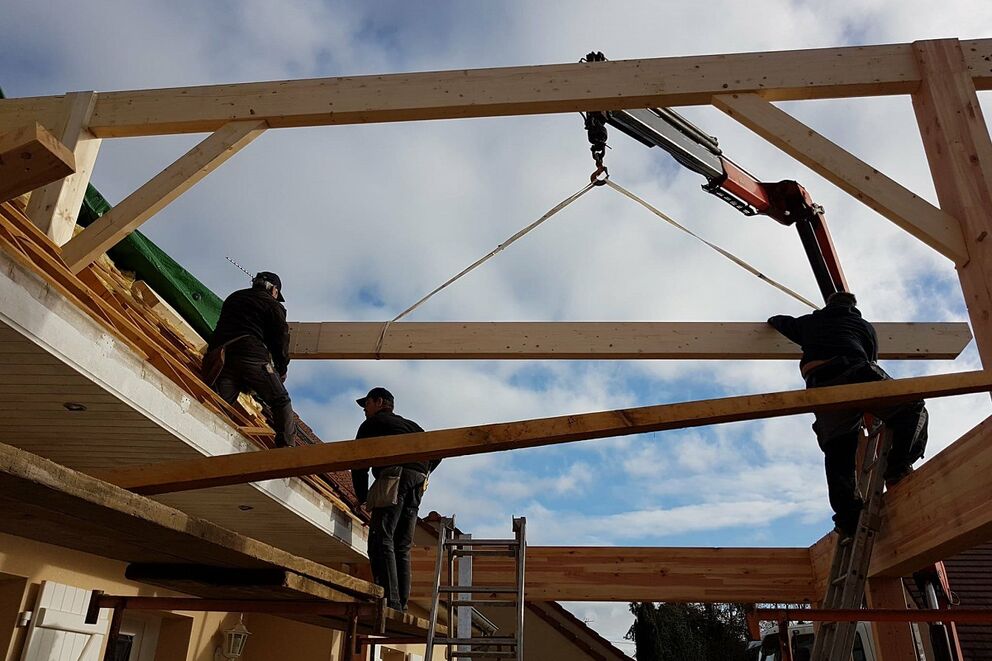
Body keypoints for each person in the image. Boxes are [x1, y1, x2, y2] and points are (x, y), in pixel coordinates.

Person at [768, 291, 928, 536]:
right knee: (912, 405)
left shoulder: (809, 322)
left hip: (821, 387)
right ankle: (897, 466)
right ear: (854, 308)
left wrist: (784, 320)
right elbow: (872, 360)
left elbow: (779, 321)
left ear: (828, 305)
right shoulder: (863, 326)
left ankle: (848, 519)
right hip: (854, 373)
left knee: (838, 449)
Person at [351, 388, 440, 611]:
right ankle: (400, 602)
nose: (365, 410)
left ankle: (389, 601)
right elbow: (438, 451)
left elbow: (358, 462)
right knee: (402, 545)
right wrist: (423, 471)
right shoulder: (412, 426)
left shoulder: (372, 424)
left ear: (379, 402)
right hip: (417, 482)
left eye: (367, 404)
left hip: (395, 477)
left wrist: (361, 497)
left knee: (381, 538)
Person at [206, 271, 296, 448]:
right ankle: (287, 449)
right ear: (274, 290)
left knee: (220, 405)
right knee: (280, 399)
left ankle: (208, 436)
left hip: (224, 356)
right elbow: (279, 339)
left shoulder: (234, 297)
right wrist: (282, 368)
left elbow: (220, 327)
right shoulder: (273, 305)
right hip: (250, 353)